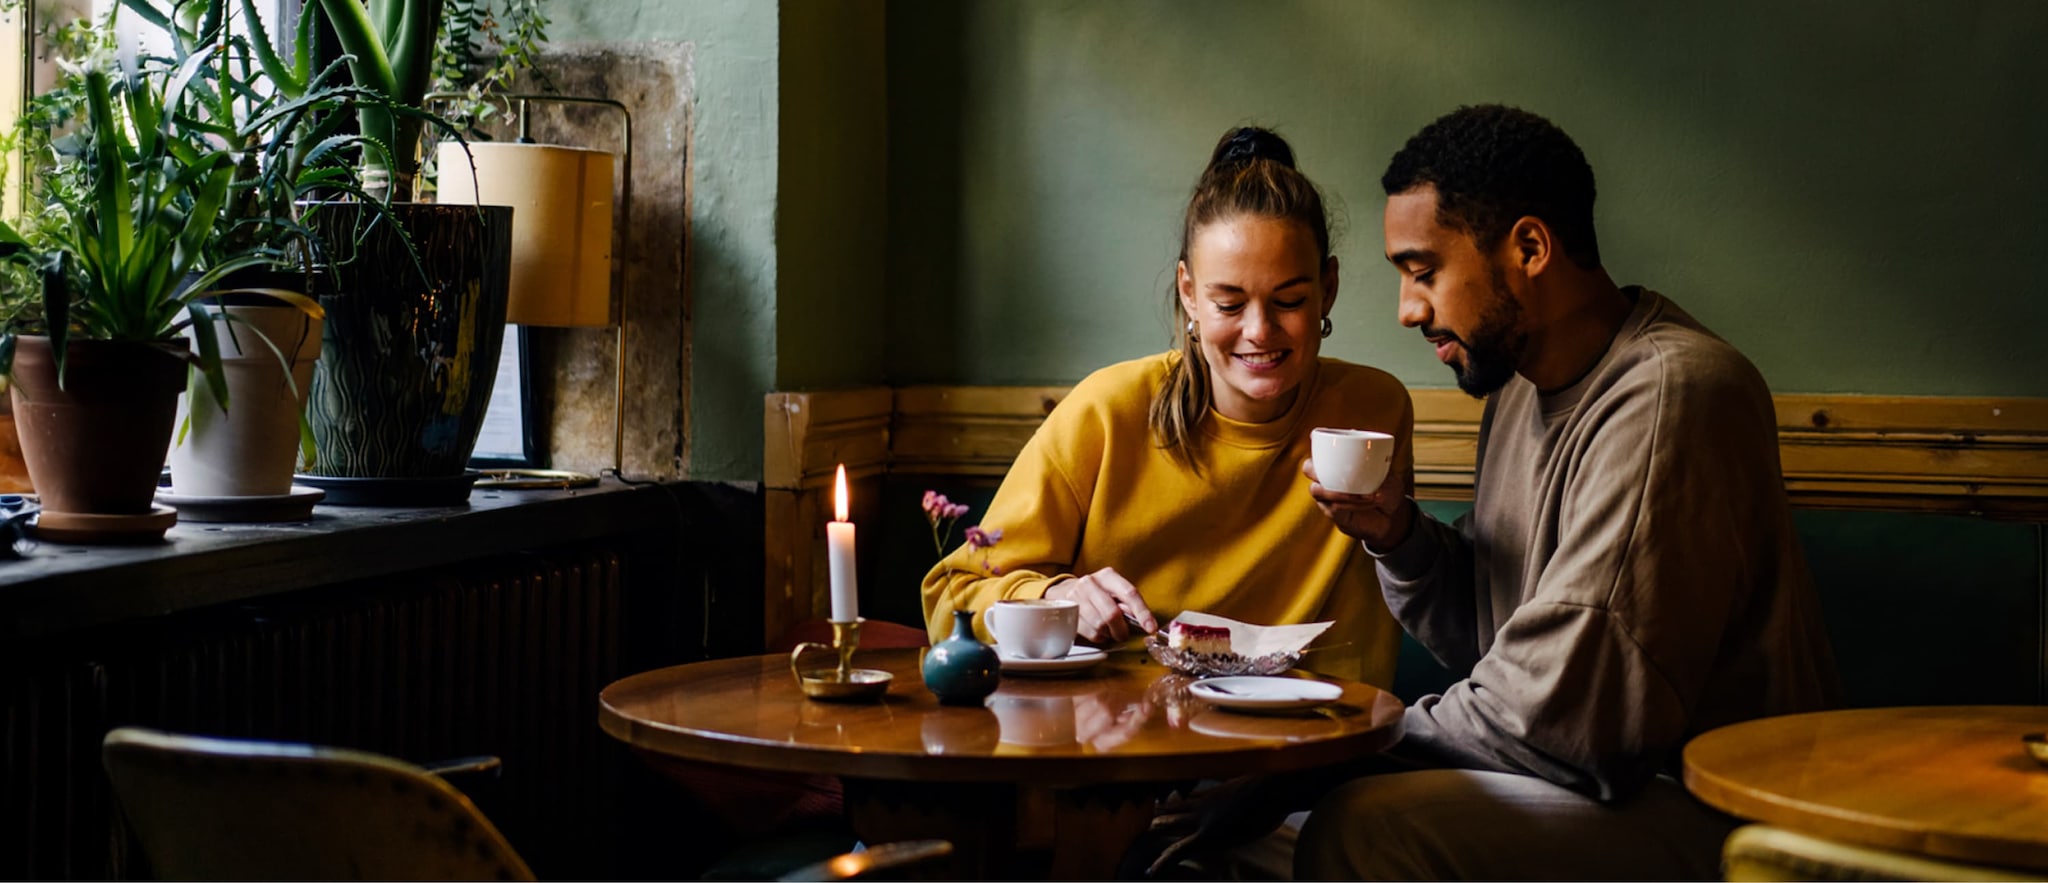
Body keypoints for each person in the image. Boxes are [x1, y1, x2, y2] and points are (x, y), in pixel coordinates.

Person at [1281, 104, 1843, 879]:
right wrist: (1397, 534)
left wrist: (1325, 754)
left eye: (1423, 271)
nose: (1408, 309)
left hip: (1727, 816)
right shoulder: (1515, 387)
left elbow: (1561, 715)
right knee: (1245, 847)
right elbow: (1504, 635)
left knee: (1367, 829)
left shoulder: (1673, 395)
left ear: (1530, 248)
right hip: (1589, 788)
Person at [920, 126, 1413, 687]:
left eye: (1291, 301)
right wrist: (1053, 595)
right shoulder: (1106, 413)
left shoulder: (1373, 412)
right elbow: (952, 595)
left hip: (1310, 746)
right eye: (1229, 302)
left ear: (1328, 288)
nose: (1259, 331)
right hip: (1122, 748)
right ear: (1189, 293)